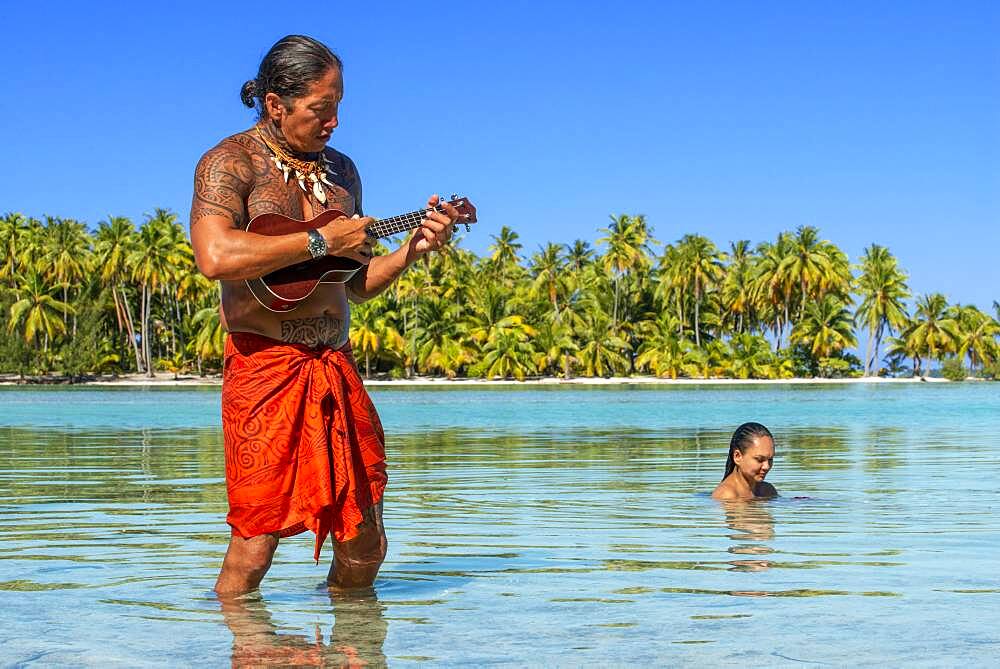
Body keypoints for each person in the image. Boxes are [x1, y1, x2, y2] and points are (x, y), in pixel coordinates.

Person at [190, 35, 460, 595]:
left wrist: (413, 249)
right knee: (256, 541)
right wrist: (318, 240)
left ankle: (353, 643)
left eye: (339, 105)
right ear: (275, 103)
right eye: (321, 108)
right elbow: (214, 257)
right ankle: (241, 646)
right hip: (263, 369)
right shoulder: (227, 164)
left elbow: (354, 283)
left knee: (365, 541)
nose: (334, 121)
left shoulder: (342, 172)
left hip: (335, 364)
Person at [711, 422, 778, 500]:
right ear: (737, 456)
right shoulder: (727, 495)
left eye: (770, 459)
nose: (767, 466)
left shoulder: (767, 490)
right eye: (759, 459)